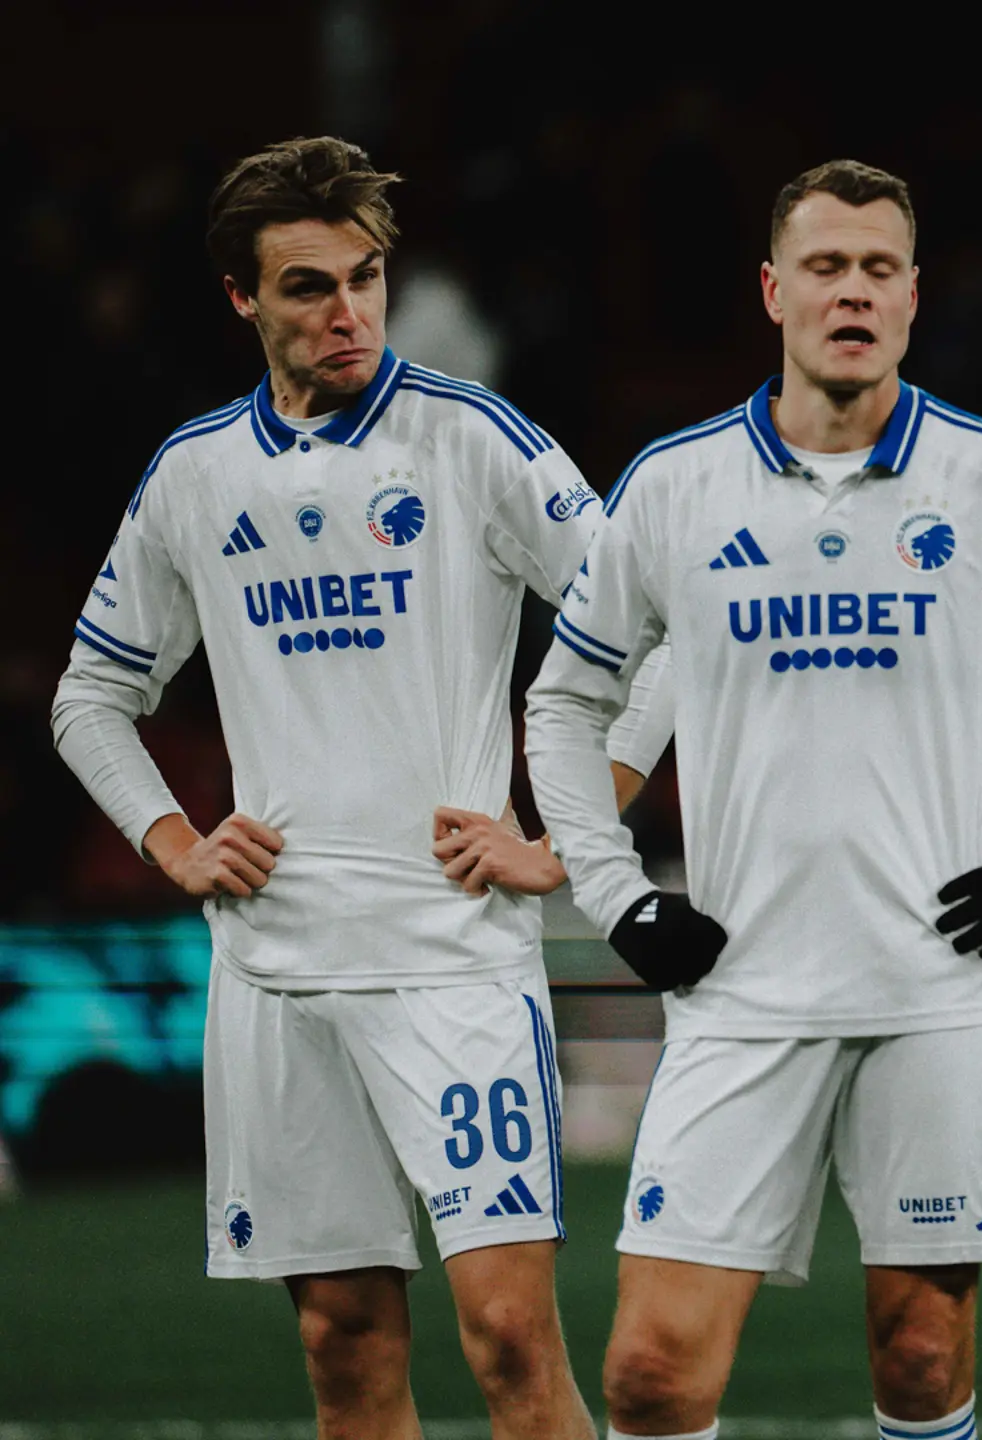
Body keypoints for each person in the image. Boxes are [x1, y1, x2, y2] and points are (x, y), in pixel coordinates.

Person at [522, 159, 982, 1440]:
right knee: (651, 1374)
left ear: (914, 297)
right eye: (825, 267)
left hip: (934, 993)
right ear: (773, 291)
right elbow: (563, 704)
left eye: (879, 269)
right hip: (738, 995)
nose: (853, 292)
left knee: (922, 1358)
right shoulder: (673, 486)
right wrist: (618, 900)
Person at [49, 136, 665, 1440]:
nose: (348, 312)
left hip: (454, 963)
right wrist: (172, 841)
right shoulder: (195, 473)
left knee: (510, 1336)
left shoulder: (474, 440)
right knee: (343, 1345)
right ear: (241, 297)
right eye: (309, 286)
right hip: (277, 975)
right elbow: (90, 696)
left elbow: (661, 636)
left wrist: (570, 839)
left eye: (366, 278)